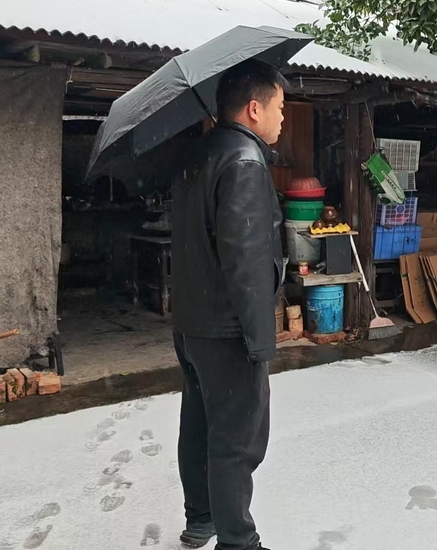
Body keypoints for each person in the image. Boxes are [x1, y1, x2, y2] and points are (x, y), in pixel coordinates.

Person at [170, 59, 288, 550]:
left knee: (199, 423)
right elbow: (246, 260)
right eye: (280, 107)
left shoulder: (199, 155)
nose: (283, 117)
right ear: (254, 108)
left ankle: (201, 518)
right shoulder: (244, 161)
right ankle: (239, 541)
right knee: (237, 439)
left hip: (192, 321)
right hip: (227, 325)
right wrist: (261, 341)